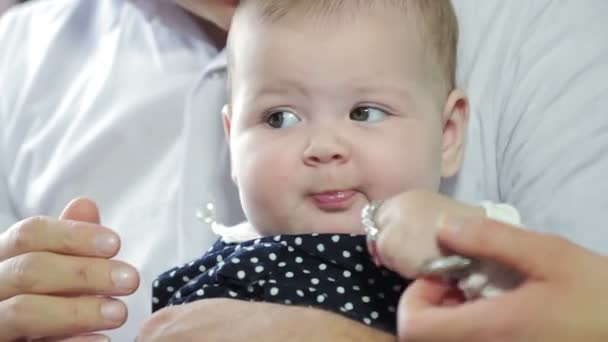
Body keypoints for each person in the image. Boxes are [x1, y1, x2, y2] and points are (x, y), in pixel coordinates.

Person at [1, 0, 608, 341]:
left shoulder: (478, 250)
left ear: (449, 135)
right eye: (280, 118)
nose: (323, 146)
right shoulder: (206, 269)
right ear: (231, 139)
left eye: (366, 112)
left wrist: (454, 246)